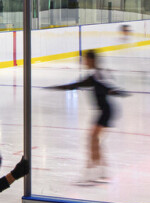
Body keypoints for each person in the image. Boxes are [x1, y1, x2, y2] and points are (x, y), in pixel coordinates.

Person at [48, 50, 127, 185]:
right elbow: (77, 85)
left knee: (92, 139)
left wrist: (114, 91)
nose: (84, 62)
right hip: (106, 111)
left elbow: (103, 87)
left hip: (106, 111)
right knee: (95, 140)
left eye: (86, 60)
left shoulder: (96, 76)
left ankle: (91, 173)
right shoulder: (98, 74)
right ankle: (101, 171)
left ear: (91, 60)